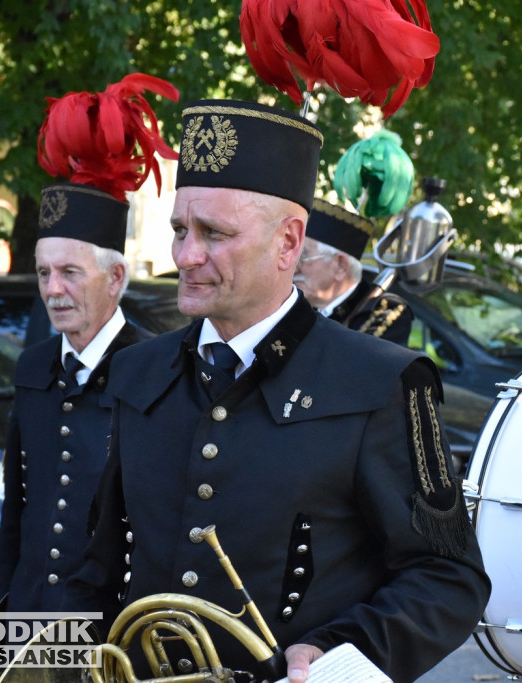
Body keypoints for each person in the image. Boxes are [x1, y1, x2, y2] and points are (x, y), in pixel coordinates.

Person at [66, 99, 490, 683]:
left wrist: (341, 654)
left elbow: (449, 577)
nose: (186, 256)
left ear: (289, 242)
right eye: (180, 230)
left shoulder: (382, 380)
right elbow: (101, 567)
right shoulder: (139, 371)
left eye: (214, 233)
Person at [0, 76, 174, 612]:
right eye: (44, 272)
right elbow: (16, 515)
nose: (53, 289)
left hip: (107, 637)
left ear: (115, 278)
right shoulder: (33, 367)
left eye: (70, 272)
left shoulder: (157, 370)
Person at [295, 199, 413, 346]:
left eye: (303, 257)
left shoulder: (384, 311)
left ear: (340, 267)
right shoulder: (298, 306)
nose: (295, 267)